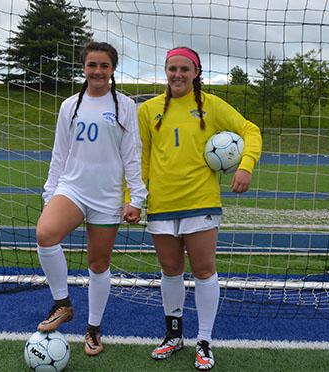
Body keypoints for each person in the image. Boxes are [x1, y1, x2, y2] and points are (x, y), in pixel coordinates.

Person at [138, 46, 262, 370]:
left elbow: (251, 131)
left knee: (204, 270)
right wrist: (133, 198)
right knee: (170, 271)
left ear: (195, 73)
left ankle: (204, 341)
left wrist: (245, 165)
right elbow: (141, 160)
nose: (178, 75)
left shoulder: (211, 106)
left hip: (200, 202)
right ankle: (173, 334)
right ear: (165, 71)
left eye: (184, 69)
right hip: (161, 205)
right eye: (172, 69)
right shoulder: (148, 110)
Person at [36, 41, 146, 356]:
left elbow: (132, 154)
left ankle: (93, 329)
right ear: (83, 68)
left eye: (104, 66)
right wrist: (50, 191)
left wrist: (135, 197)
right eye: (92, 65)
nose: (97, 71)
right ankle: (62, 303)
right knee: (46, 233)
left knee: (98, 264)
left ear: (112, 70)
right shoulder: (69, 105)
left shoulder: (124, 105)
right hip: (72, 187)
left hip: (107, 195)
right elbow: (60, 153)